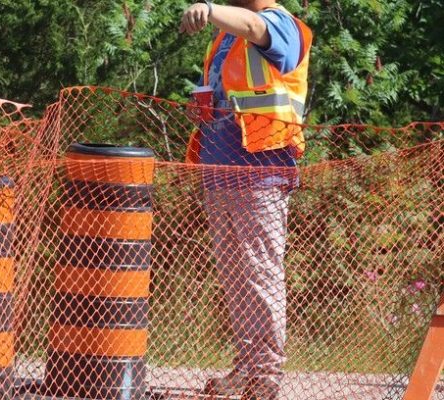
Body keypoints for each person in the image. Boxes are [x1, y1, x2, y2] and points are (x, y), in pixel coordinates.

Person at [180, 1, 312, 399]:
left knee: (260, 273)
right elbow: (233, 93)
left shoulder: (281, 23)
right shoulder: (224, 37)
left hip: (261, 170)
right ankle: (249, 366)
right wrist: (203, 107)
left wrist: (208, 8)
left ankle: (266, 375)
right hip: (220, 167)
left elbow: (256, 26)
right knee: (237, 278)